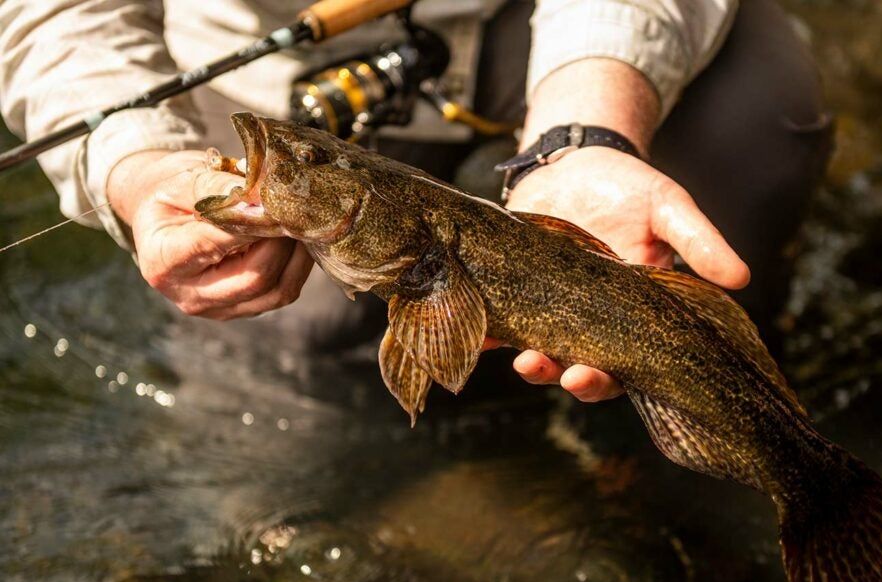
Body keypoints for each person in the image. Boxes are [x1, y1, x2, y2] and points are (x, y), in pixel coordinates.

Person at [0, 0, 832, 403]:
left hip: (554, 23)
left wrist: (588, 128)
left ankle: (719, 398)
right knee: (284, 351)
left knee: (759, 122)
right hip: (267, 76)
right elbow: (55, 14)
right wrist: (139, 168)